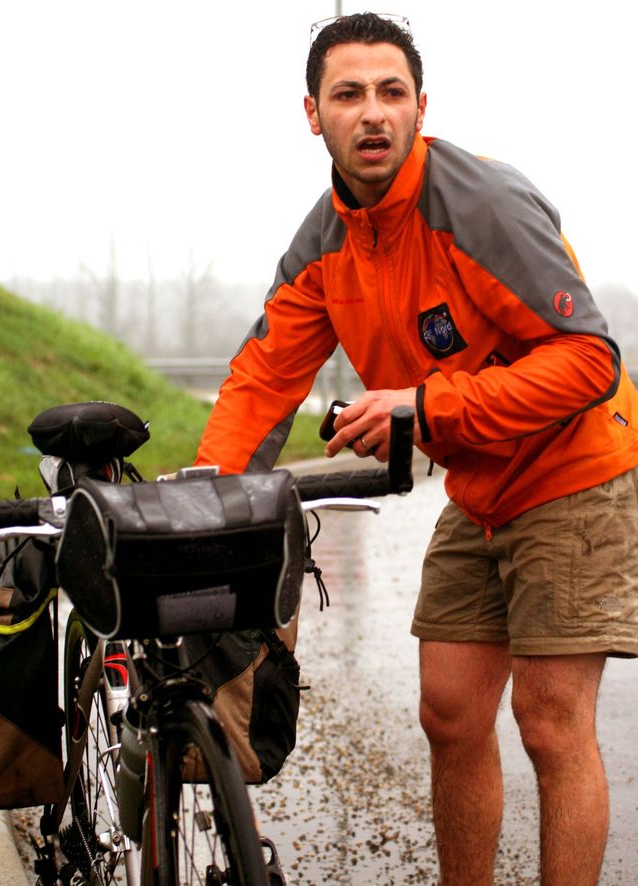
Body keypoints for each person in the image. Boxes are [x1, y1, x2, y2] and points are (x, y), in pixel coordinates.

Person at [195, 12, 638, 884]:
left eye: (391, 93)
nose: (372, 112)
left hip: (574, 470)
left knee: (550, 721)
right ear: (312, 114)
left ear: (420, 106)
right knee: (449, 714)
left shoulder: (478, 204)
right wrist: (206, 492)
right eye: (348, 94)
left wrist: (423, 405)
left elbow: (589, 358)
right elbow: (262, 377)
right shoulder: (325, 239)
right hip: (478, 488)